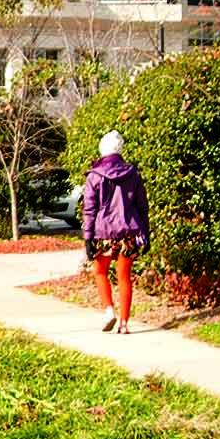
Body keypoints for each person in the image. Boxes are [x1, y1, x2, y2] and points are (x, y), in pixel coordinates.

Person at [82, 130, 150, 335]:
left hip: (103, 232)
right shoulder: (133, 175)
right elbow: (142, 206)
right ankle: (124, 323)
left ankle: (109, 310)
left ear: (102, 150)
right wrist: (146, 233)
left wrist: (88, 238)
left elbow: (89, 209)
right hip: (129, 232)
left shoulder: (94, 176)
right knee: (124, 277)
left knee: (100, 272)